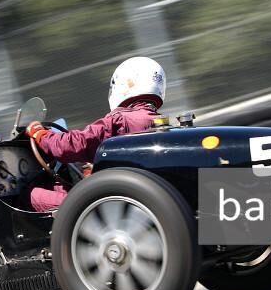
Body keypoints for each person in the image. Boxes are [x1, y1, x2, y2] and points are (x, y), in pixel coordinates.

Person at [25, 56, 166, 212]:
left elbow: (69, 146)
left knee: (30, 194)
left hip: (114, 202)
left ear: (126, 84)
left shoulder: (120, 121)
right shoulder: (160, 122)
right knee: (61, 186)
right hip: (134, 198)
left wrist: (40, 134)